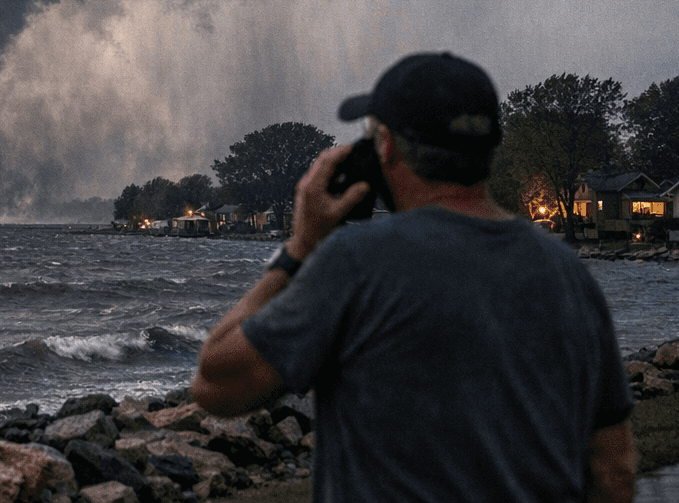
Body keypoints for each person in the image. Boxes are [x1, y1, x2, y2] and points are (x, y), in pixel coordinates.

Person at [192, 52, 637, 503]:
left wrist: (299, 250)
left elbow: (216, 384)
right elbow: (614, 470)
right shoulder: (567, 272)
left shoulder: (357, 261)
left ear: (384, 146)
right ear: (490, 147)